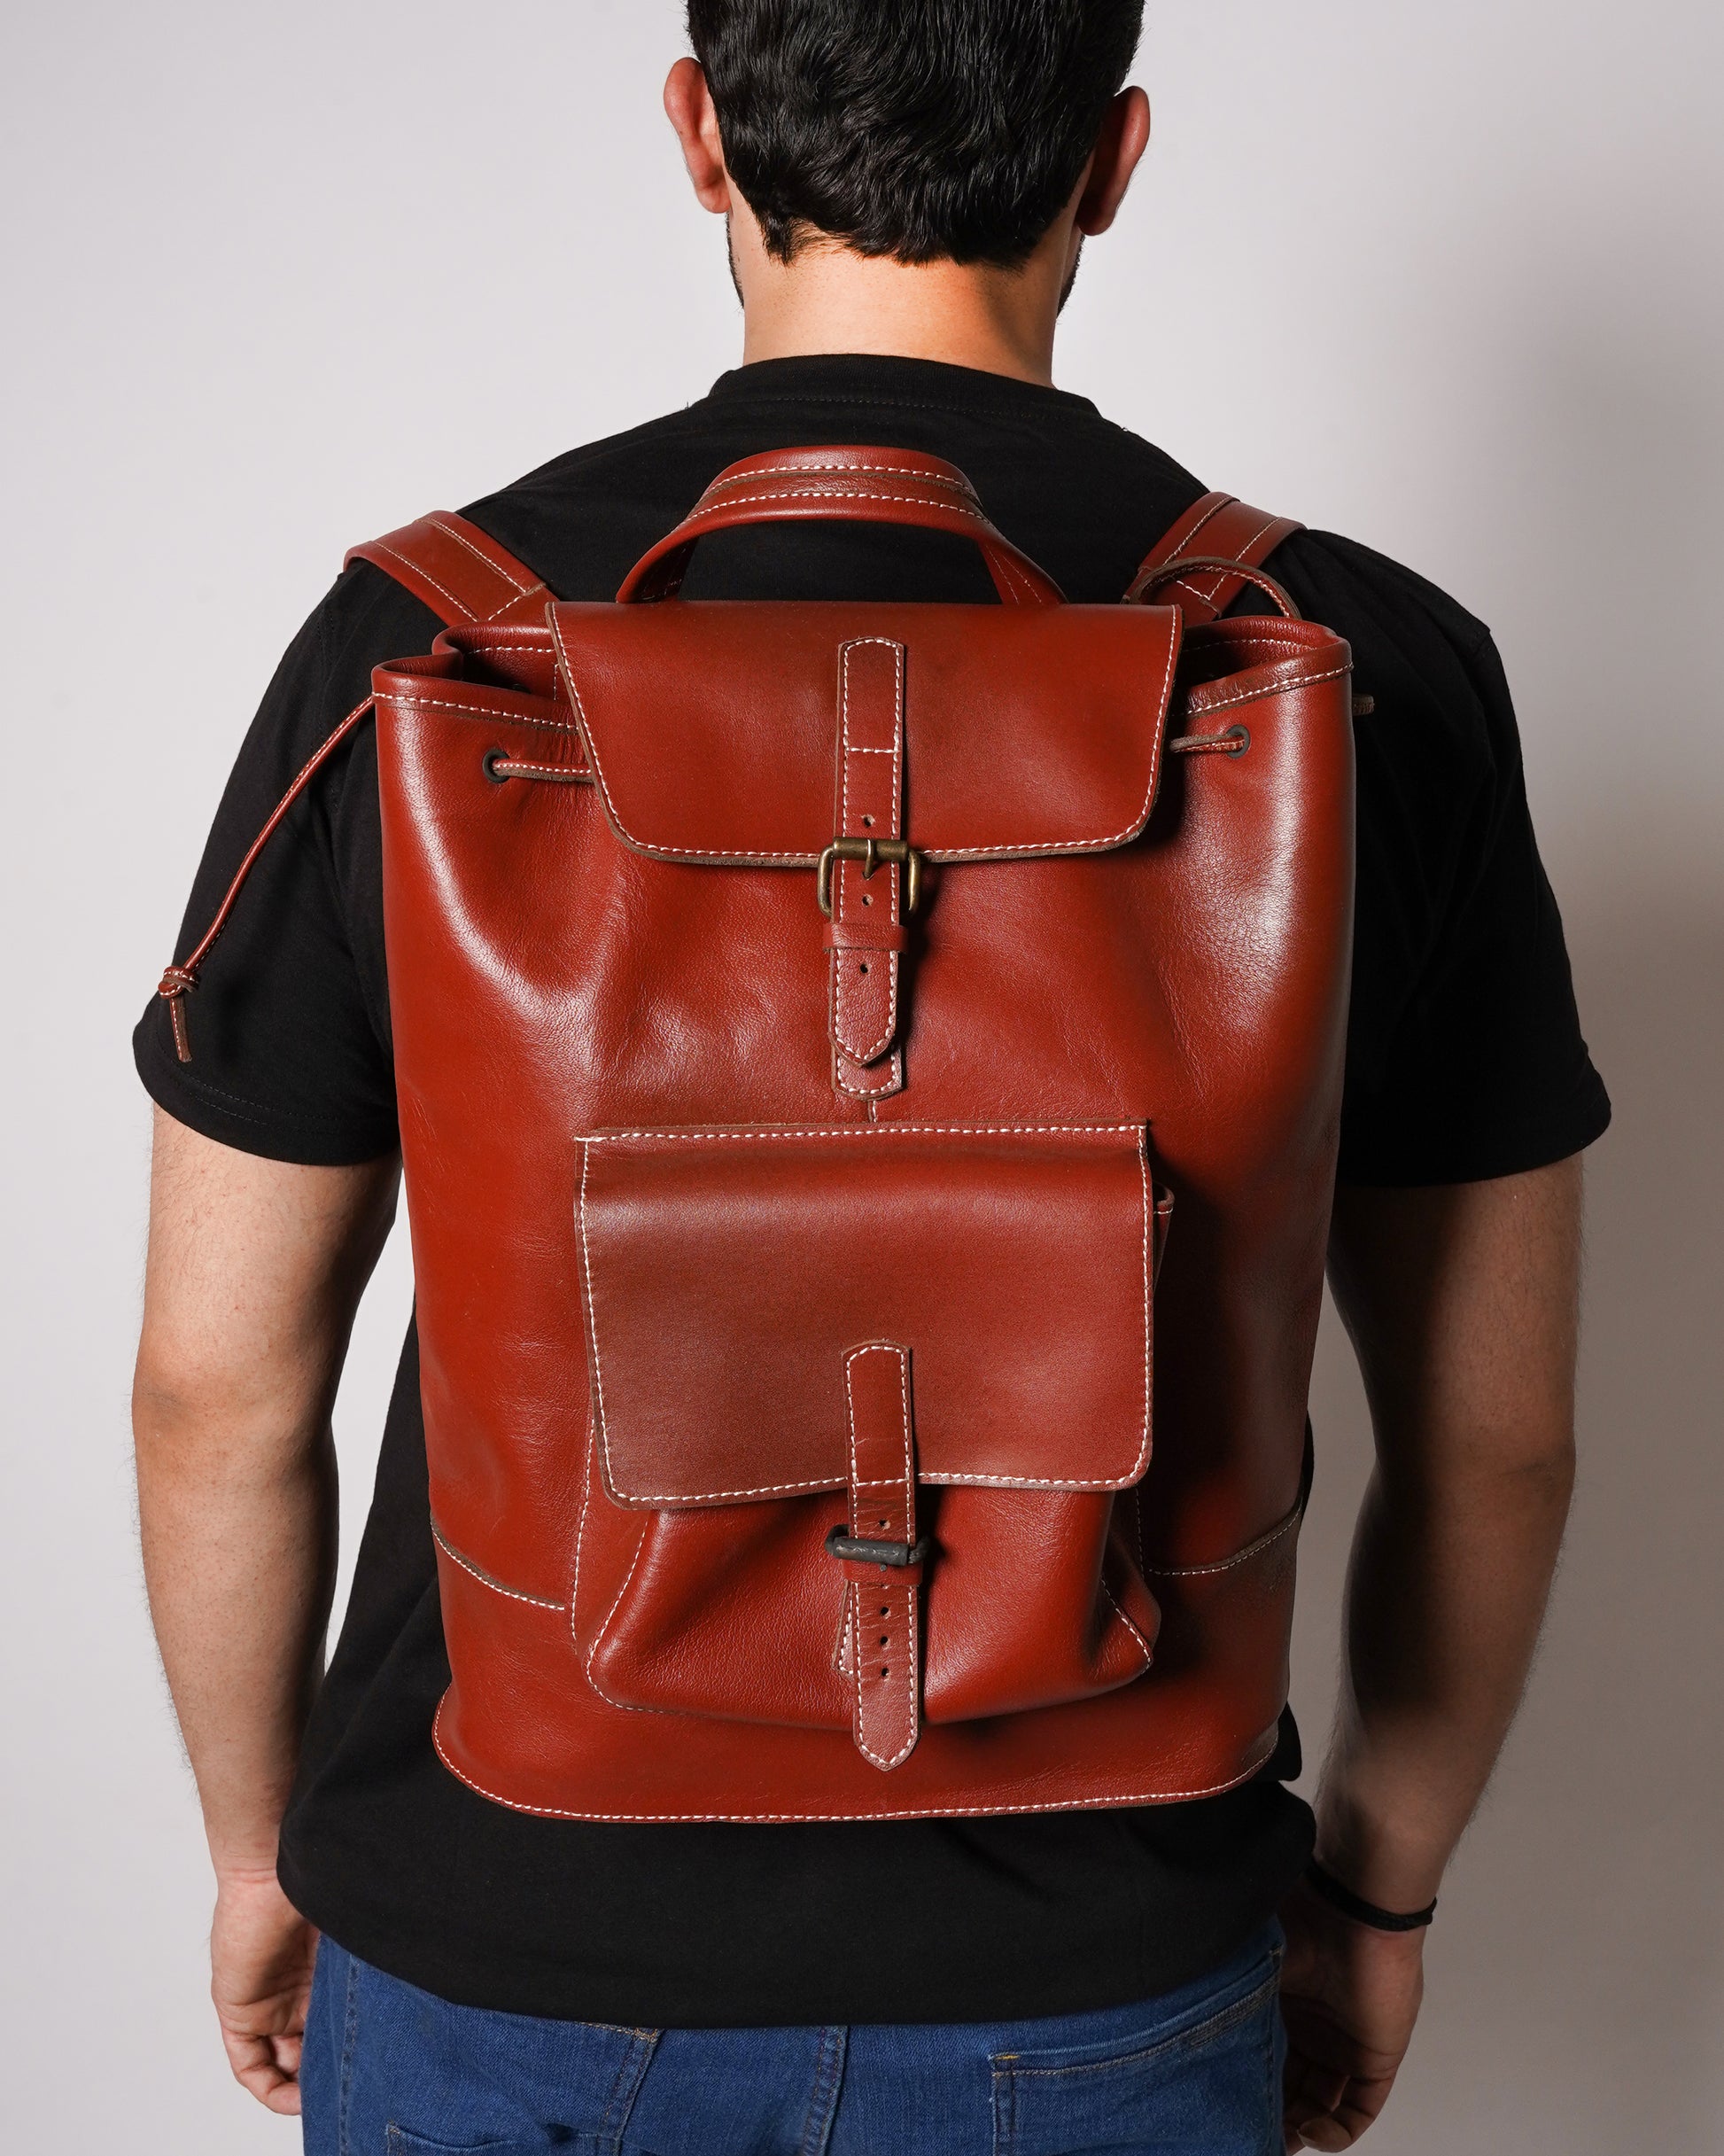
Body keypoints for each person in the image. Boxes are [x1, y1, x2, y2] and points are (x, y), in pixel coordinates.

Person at [131, 5, 1609, 2152]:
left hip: (505, 1938)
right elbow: (1497, 1436)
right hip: (1102, 1959)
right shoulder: (1359, 666)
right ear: (1109, 158)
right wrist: (1377, 1883)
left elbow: (217, 1386)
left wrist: (263, 1849)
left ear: (698, 133)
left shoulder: (421, 649)